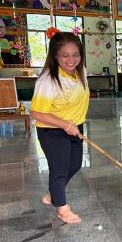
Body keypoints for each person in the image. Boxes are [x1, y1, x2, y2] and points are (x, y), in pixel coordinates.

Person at [30, 32, 89, 224]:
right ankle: (63, 209)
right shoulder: (48, 80)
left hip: (74, 126)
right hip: (52, 130)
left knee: (75, 165)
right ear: (55, 56)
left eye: (76, 55)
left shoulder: (81, 72)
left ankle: (52, 194)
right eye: (65, 55)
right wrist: (66, 125)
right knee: (60, 169)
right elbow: (37, 113)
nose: (71, 60)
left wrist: (74, 124)